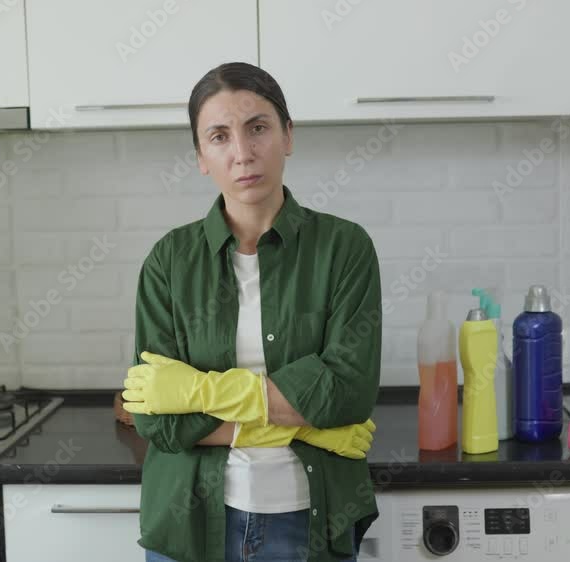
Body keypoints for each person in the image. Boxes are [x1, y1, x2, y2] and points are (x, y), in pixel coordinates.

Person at [122, 61, 383, 562]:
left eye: (257, 128)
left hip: (310, 520)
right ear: (201, 156)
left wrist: (198, 391)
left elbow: (347, 394)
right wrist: (306, 423)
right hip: (189, 524)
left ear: (287, 134)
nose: (242, 153)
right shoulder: (169, 261)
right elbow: (158, 423)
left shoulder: (344, 248)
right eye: (219, 136)